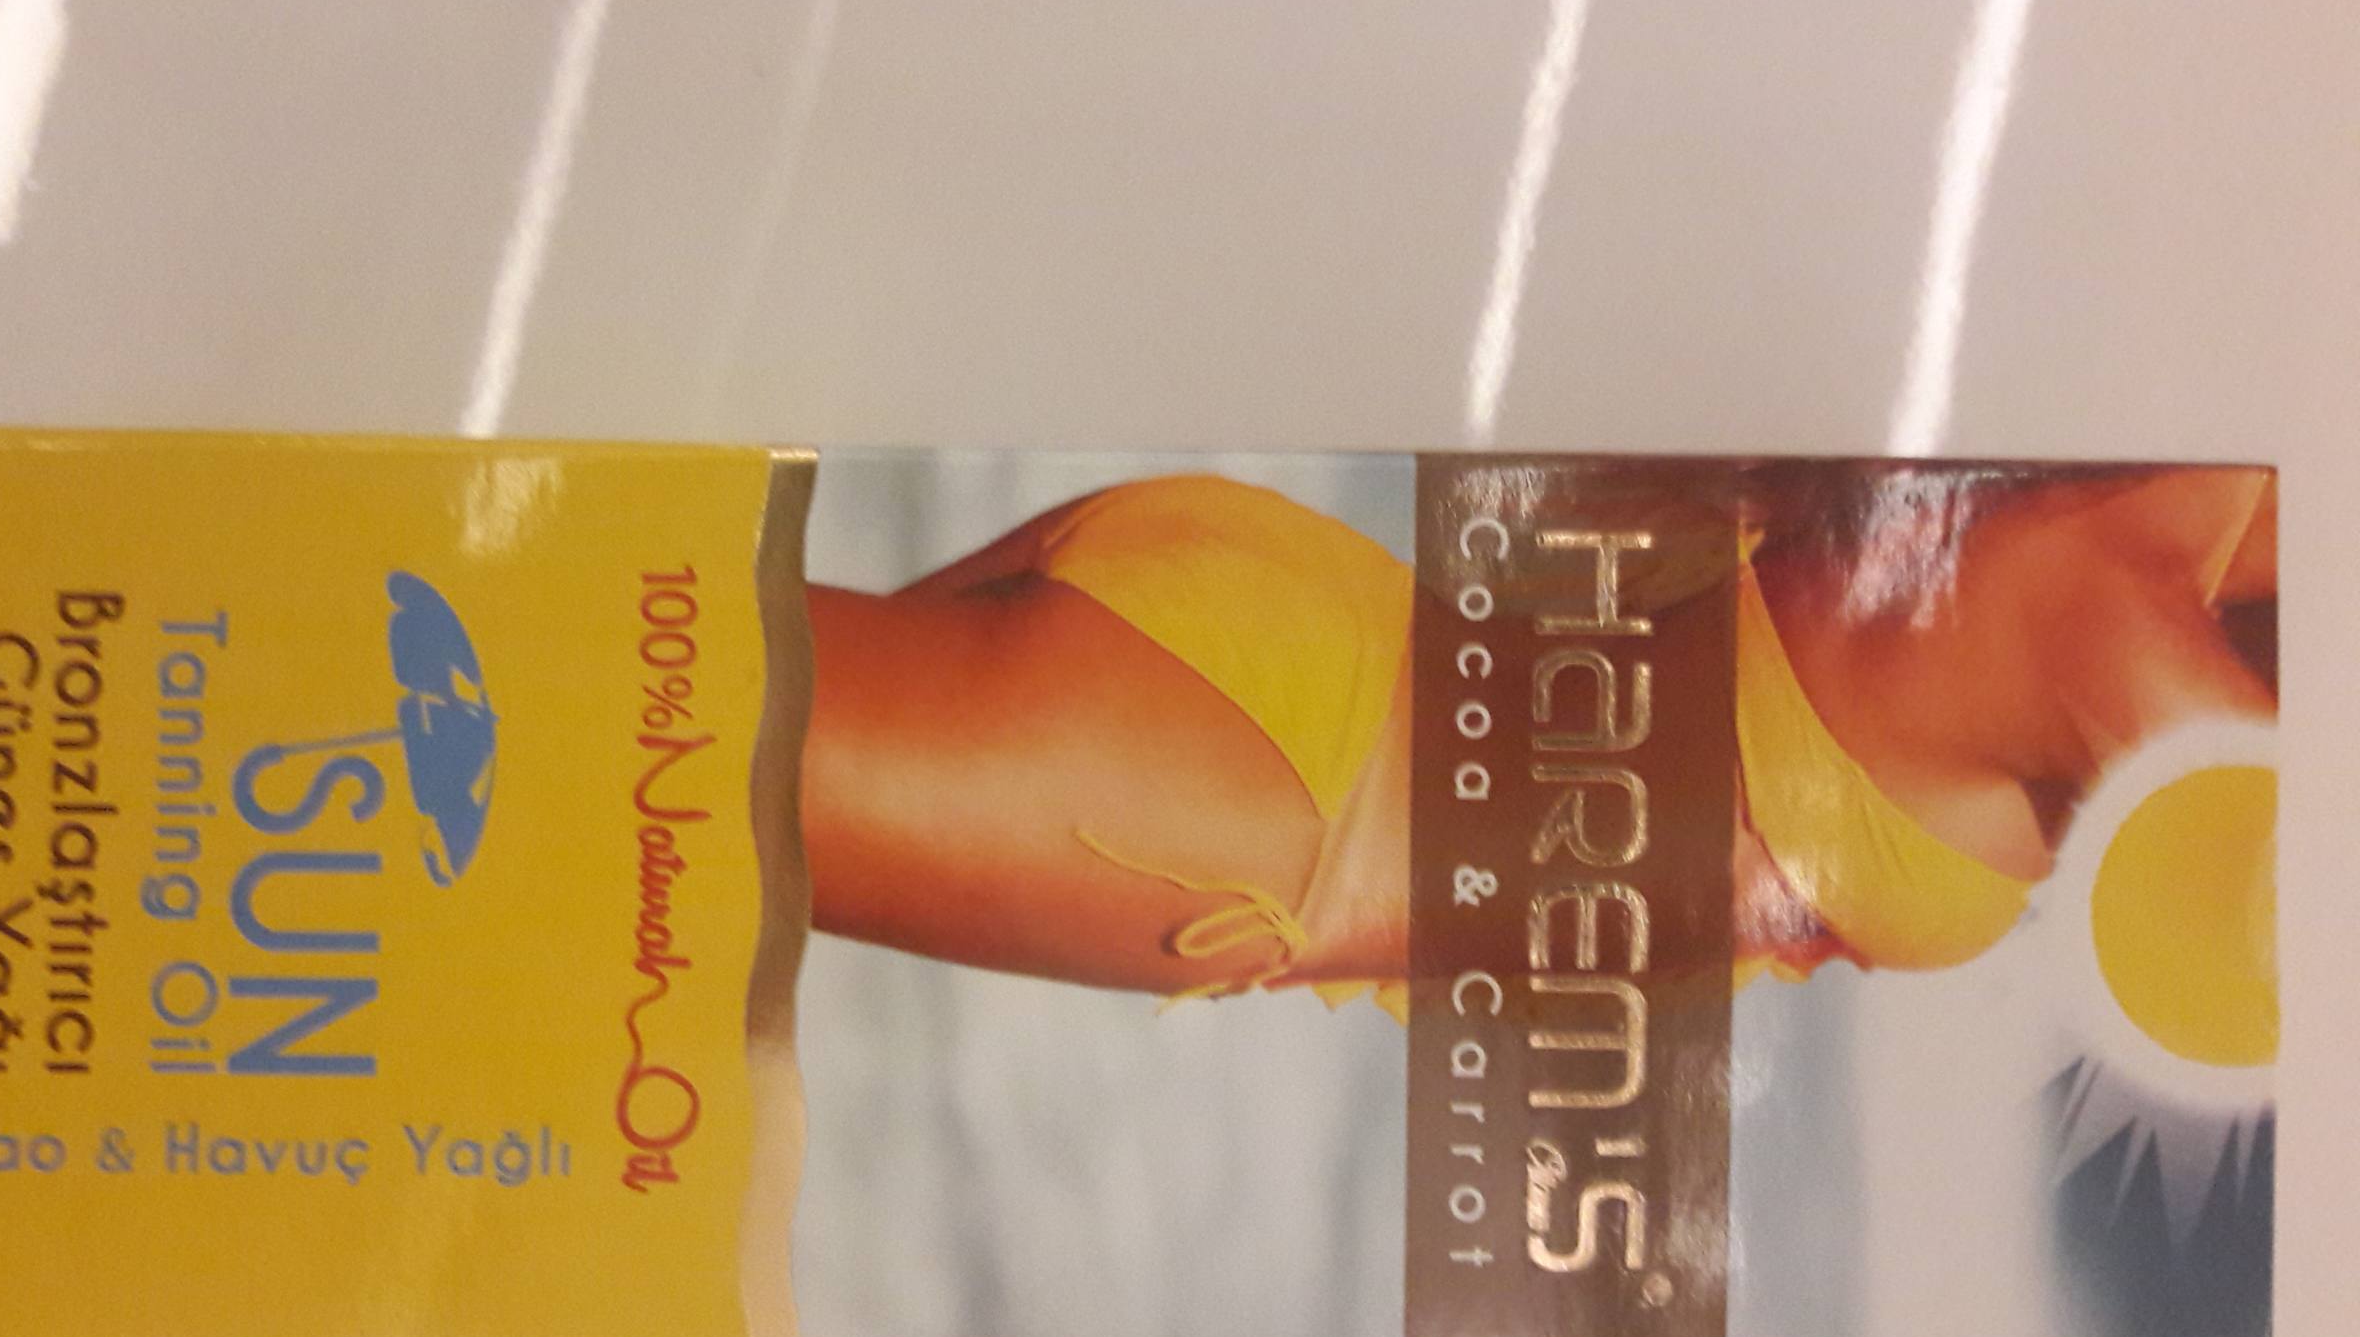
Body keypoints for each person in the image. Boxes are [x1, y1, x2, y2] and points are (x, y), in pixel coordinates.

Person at [799, 463, 2276, 1018]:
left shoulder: (2125, 517)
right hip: (1267, 794)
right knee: (657, 774)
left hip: (1286, 674)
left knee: (665, 831)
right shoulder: (2134, 647)